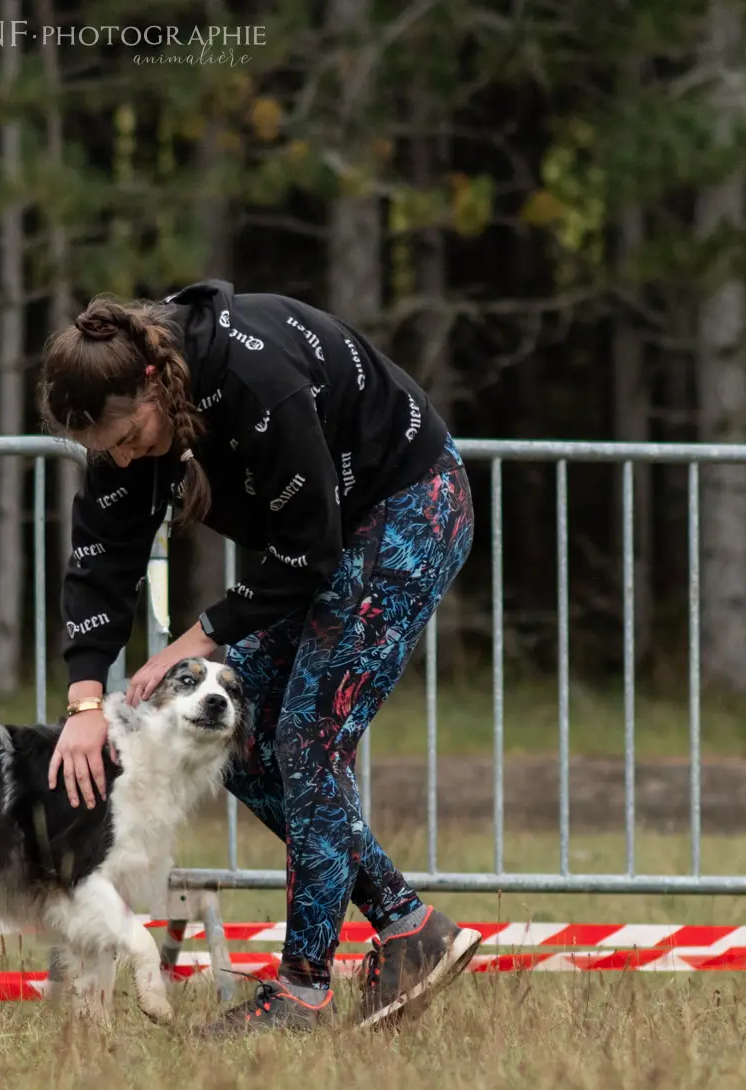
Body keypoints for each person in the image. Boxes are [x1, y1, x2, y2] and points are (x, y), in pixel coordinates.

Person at [39, 279, 478, 1034]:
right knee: (234, 737)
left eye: (123, 438)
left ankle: (303, 990)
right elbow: (100, 560)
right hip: (326, 543)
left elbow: (310, 552)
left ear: (151, 382)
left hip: (409, 504)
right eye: (99, 451)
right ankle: (408, 926)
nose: (118, 456)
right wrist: (83, 701)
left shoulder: (254, 378)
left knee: (308, 735)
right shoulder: (129, 419)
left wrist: (200, 632)